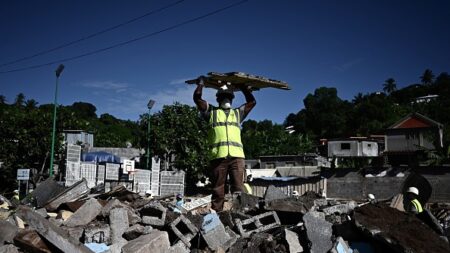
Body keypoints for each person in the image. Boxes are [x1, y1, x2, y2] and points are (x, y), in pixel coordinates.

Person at [194, 77, 256, 211]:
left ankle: (239, 214)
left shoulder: (237, 113)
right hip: (218, 157)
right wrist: (201, 84)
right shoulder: (211, 112)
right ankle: (217, 215)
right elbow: (197, 99)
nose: (226, 100)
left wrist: (244, 87)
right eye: (223, 97)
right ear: (217, 99)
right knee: (218, 190)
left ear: (232, 100)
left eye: (228, 97)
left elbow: (252, 101)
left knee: (238, 189)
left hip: (237, 157)